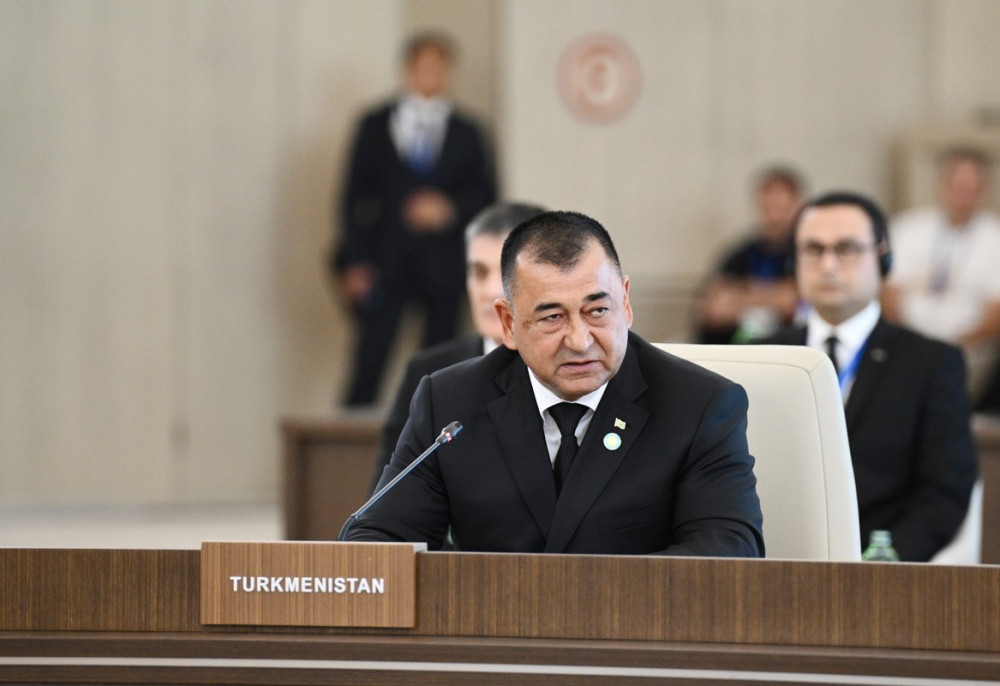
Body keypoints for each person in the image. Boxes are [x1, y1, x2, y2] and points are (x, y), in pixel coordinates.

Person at [347, 211, 764, 556]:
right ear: (508, 324)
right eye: (552, 317)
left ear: (625, 302)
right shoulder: (450, 403)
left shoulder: (699, 406)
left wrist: (580, 601)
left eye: (597, 311)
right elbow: (379, 539)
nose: (580, 340)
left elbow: (728, 551)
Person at [762, 191, 977, 561]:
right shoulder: (764, 357)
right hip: (770, 563)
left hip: (880, 568)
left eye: (846, 249)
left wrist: (880, 564)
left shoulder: (931, 363)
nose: (828, 265)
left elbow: (945, 492)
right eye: (813, 249)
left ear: (883, 258)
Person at [332, 32, 497, 407]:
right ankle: (349, 438)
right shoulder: (375, 124)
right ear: (407, 70)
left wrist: (449, 211)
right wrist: (355, 261)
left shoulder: (469, 132)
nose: (430, 76)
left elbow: (487, 198)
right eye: (423, 67)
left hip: (445, 266)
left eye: (438, 68)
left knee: (441, 368)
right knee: (370, 359)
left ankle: (433, 438)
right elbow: (351, 197)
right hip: (383, 262)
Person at [368, 201, 546, 493]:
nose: (491, 291)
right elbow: (386, 503)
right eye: (479, 272)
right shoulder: (428, 373)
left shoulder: (579, 365)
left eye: (507, 273)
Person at [881, 148, 1000, 397]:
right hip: (907, 341)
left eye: (971, 189)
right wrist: (911, 341)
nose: (963, 196)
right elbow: (889, 293)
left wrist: (951, 348)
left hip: (968, 350)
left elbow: (994, 314)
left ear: (984, 191)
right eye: (957, 187)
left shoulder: (994, 237)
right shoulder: (909, 227)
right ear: (942, 186)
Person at [695, 166, 805, 344]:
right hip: (735, 346)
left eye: (781, 207)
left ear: (796, 206)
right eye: (768, 206)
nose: (774, 215)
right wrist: (776, 294)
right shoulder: (740, 254)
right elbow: (716, 309)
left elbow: (793, 303)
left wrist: (742, 294)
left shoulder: (806, 253)